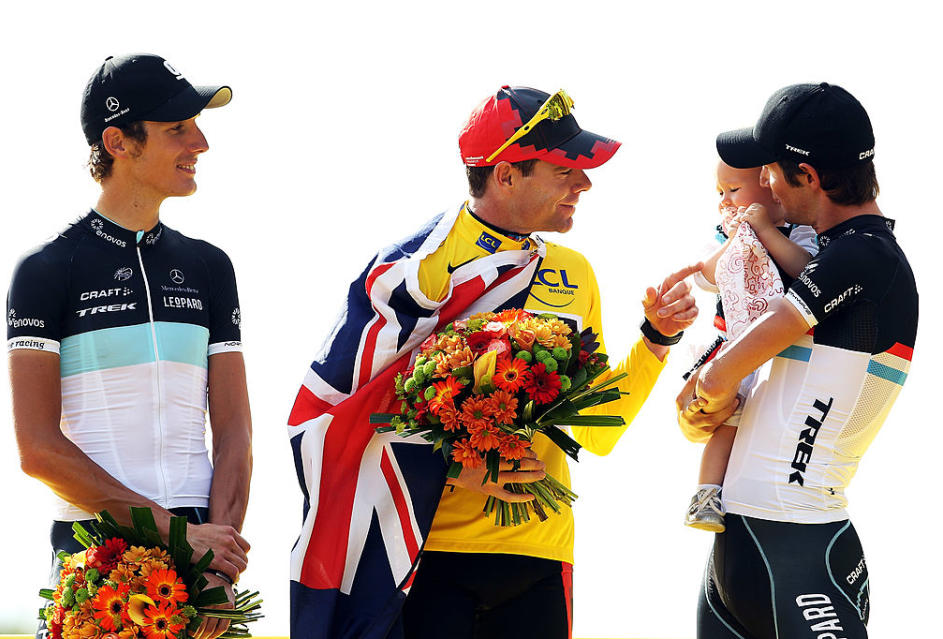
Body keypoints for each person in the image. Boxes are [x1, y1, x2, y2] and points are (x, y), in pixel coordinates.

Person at [287, 85, 700, 639]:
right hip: (429, 557)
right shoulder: (419, 268)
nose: (584, 183)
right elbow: (340, 417)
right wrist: (457, 466)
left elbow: (595, 432)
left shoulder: (575, 271)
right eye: (564, 170)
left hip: (541, 554)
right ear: (505, 174)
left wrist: (655, 339)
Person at [7, 53, 252, 639]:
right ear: (118, 142)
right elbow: (37, 449)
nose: (201, 143)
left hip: (203, 553)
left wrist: (221, 563)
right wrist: (173, 534)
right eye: (178, 130)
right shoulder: (47, 270)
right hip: (97, 551)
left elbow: (236, 430)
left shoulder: (210, 267)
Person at [677, 83, 918, 638]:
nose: (760, 181)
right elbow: (716, 387)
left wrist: (707, 389)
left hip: (795, 544)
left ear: (808, 177)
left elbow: (725, 371)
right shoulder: (820, 255)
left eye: (772, 171)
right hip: (745, 546)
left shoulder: (864, 255)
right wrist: (697, 407)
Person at [683, 160, 816, 532]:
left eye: (733, 190)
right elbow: (705, 276)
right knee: (730, 419)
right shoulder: (724, 234)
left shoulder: (797, 231)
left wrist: (763, 230)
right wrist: (735, 236)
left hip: (779, 346)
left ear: (768, 185)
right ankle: (706, 493)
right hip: (735, 345)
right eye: (719, 192)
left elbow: (806, 268)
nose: (725, 199)